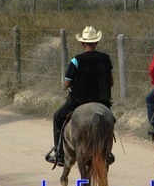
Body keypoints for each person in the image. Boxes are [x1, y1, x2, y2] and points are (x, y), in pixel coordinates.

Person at [45, 26, 114, 166]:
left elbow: (67, 83)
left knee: (58, 117)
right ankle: (107, 153)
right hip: (102, 102)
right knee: (109, 120)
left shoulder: (76, 60)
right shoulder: (106, 59)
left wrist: (65, 85)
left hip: (78, 101)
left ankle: (59, 153)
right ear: (96, 43)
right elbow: (111, 81)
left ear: (83, 43)